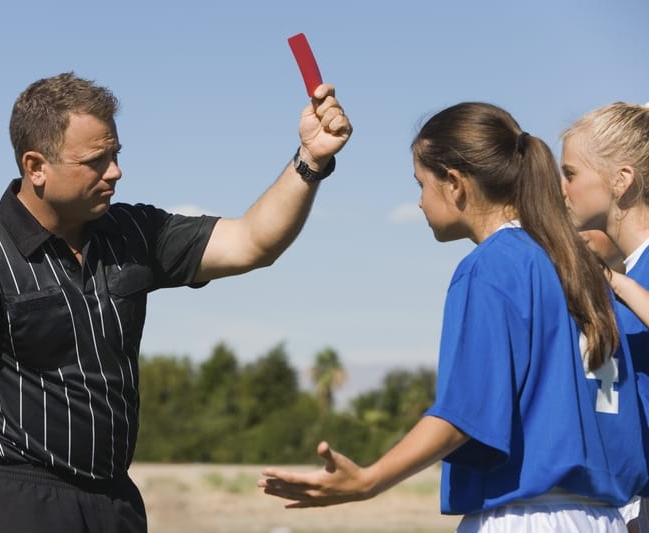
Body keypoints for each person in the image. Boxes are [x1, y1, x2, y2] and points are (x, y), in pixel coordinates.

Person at [0, 71, 352, 533]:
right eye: (96, 160)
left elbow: (252, 242)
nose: (115, 171)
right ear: (36, 166)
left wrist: (310, 159)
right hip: (20, 500)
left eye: (115, 154)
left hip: (115, 503)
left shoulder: (132, 232)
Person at [258, 102, 649, 531]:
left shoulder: (495, 264)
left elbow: (465, 414)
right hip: (606, 518)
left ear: (455, 184)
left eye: (421, 184)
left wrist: (370, 480)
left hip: (525, 516)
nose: (420, 202)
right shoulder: (583, 267)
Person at [560, 101, 649, 532]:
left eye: (571, 174)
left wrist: (616, 283)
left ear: (622, 180)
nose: (561, 188)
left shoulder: (629, 280)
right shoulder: (628, 272)